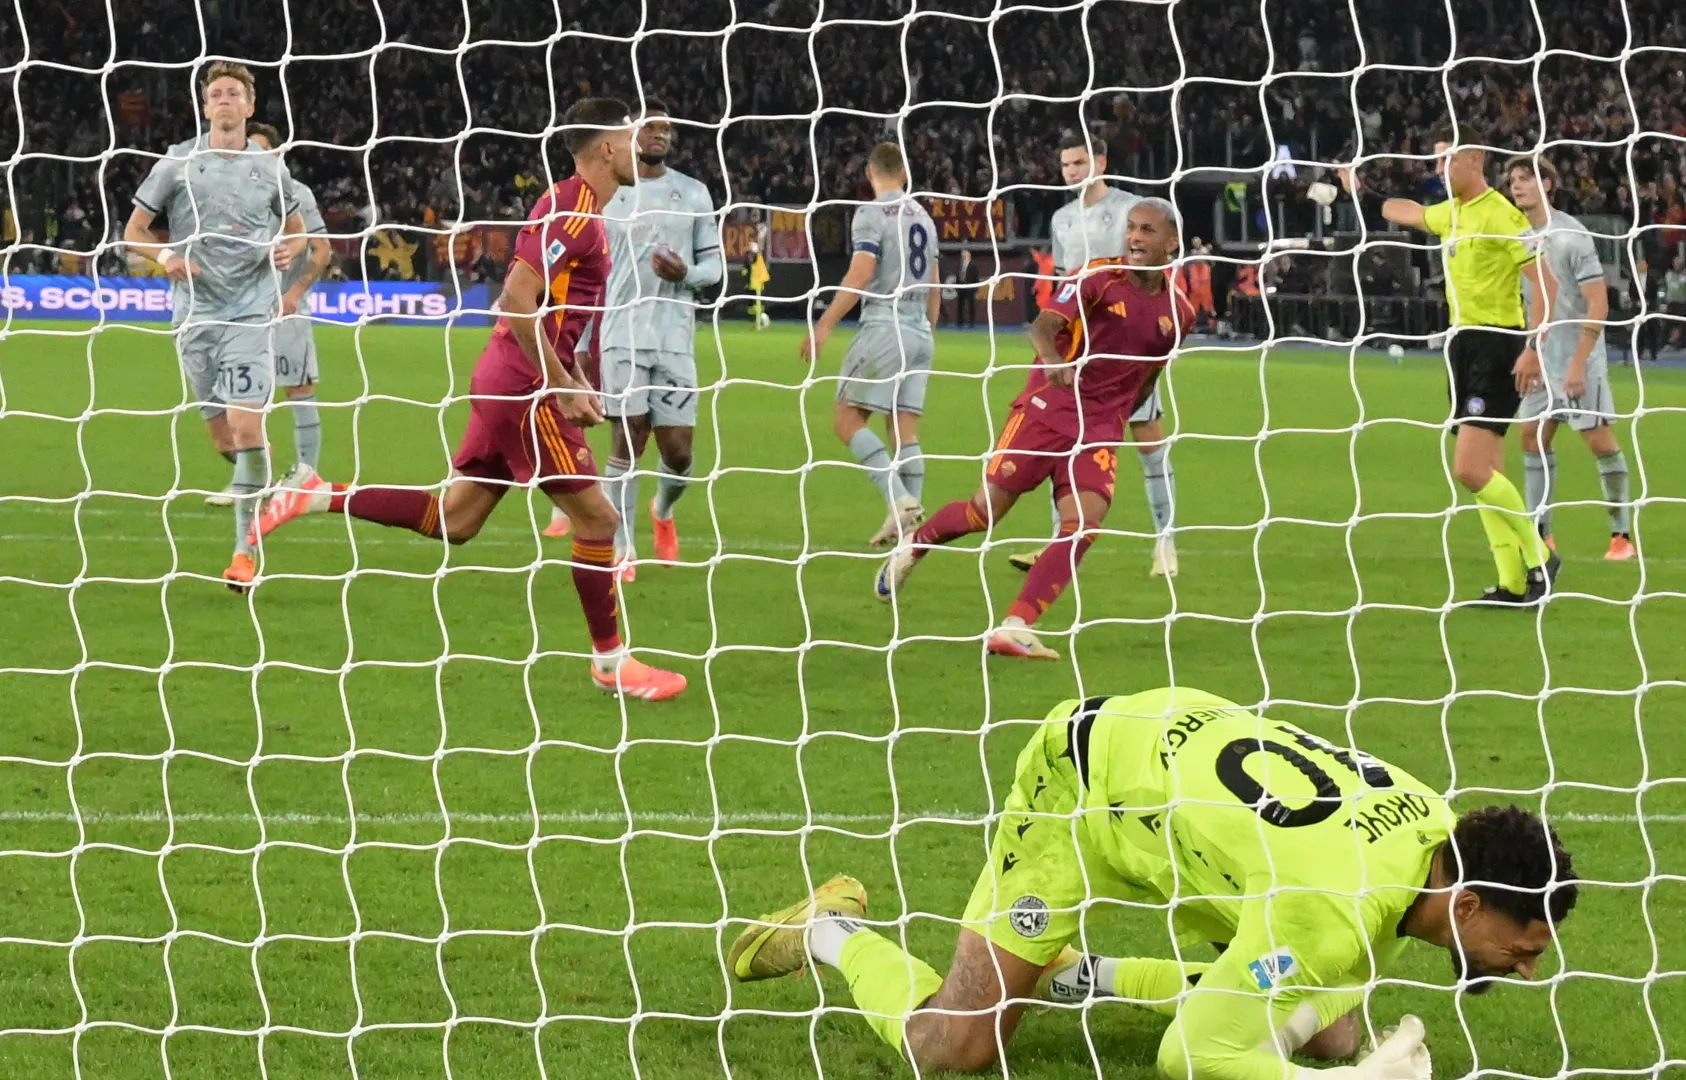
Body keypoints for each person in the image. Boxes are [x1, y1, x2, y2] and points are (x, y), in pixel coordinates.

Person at [726, 686, 1579, 1078]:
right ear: (1467, 902)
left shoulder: (1436, 824)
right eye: (1524, 946)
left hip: (1188, 788)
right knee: (957, 1048)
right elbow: (1190, 1057)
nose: (1528, 966)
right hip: (1083, 790)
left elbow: (1330, 945)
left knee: (1328, 1029)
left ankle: (1073, 974)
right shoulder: (1330, 910)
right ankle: (830, 929)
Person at [251, 98, 687, 702]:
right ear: (607, 147)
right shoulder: (573, 212)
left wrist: (577, 374)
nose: (642, 149)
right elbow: (516, 300)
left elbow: (556, 312)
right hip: (524, 386)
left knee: (455, 521)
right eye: (634, 137)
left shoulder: (580, 208)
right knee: (599, 521)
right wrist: (560, 382)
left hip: (510, 375)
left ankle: (317, 493)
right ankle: (610, 662)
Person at [873, 199, 1193, 659]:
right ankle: (918, 542)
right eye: (1131, 228)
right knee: (982, 514)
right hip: (1047, 408)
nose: (1135, 238)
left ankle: (1016, 625)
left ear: (1172, 242)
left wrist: (1117, 419)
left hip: (1098, 429)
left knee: (1083, 525)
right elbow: (1042, 326)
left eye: (1147, 230)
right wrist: (1053, 359)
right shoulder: (1098, 277)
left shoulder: (1179, 312)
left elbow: (1150, 375)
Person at [1333, 127, 1558, 604]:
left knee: (1469, 470)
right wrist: (1360, 190)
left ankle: (1540, 554)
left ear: (1474, 160)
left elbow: (1546, 283)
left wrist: (1533, 348)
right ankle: (1512, 582)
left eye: (1446, 159)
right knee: (1488, 469)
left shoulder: (1502, 214)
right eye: (1435, 161)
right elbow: (1409, 212)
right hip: (1462, 345)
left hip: (1498, 345)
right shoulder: (1452, 211)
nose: (1438, 170)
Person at [122, 62, 307, 591]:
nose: (224, 99)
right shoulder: (179, 162)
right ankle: (264, 478)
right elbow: (134, 230)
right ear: (205, 107)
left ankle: (244, 553)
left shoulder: (270, 168)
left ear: (250, 106)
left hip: (250, 313)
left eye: (233, 93)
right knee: (226, 440)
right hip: (194, 317)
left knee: (247, 430)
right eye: (216, 93)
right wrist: (167, 257)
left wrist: (286, 249)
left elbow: (299, 234)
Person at [1011, 134, 1179, 578]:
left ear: (1101, 163)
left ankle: (1165, 542)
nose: (1072, 171)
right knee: (1063, 444)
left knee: (1148, 440)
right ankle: (1057, 543)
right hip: (1077, 347)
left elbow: (1154, 261)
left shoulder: (1130, 208)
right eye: (1067, 164)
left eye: (1080, 162)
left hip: (1125, 346)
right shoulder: (1062, 218)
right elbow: (1063, 282)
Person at [578, 105, 723, 573]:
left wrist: (686, 274)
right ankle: (623, 548)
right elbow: (590, 276)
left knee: (679, 453)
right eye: (650, 128)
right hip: (620, 333)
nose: (659, 135)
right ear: (631, 135)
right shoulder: (608, 194)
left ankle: (662, 509)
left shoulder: (694, 192)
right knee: (628, 438)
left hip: (675, 337)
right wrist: (580, 341)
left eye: (666, 129)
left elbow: (715, 268)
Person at [802, 141, 941, 546]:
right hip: (920, 332)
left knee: (846, 421)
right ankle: (909, 534)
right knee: (904, 429)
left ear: (870, 173)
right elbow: (934, 286)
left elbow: (861, 273)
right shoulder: (925, 218)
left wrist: (825, 323)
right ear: (905, 173)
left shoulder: (871, 213)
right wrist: (927, 333)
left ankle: (899, 500)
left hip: (884, 325)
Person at [1506, 159, 1636, 562]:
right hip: (1540, 358)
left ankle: (1621, 536)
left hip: (1579, 358)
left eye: (1525, 178)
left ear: (1547, 183)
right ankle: (1541, 535)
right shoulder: (1517, 237)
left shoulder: (1572, 236)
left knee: (1599, 442)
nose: (1516, 186)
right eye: (1512, 180)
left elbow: (1598, 303)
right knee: (1531, 437)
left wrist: (1580, 362)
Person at [247, 123, 331, 489]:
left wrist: (295, 293)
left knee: (298, 389)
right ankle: (251, 479)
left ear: (278, 154)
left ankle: (306, 475)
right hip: (242, 314)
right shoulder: (230, 195)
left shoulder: (297, 194)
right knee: (243, 397)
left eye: (260, 150)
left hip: (285, 313)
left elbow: (322, 250)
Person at [954, 249, 981, 327]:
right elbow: (958, 277)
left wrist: (975, 288)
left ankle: (972, 321)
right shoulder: (959, 266)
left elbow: (976, 278)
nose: (963, 257)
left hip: (970, 288)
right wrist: (957, 286)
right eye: (963, 256)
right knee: (960, 305)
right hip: (961, 288)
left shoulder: (973, 266)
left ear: (969, 256)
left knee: (971, 305)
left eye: (965, 255)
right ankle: (960, 321)